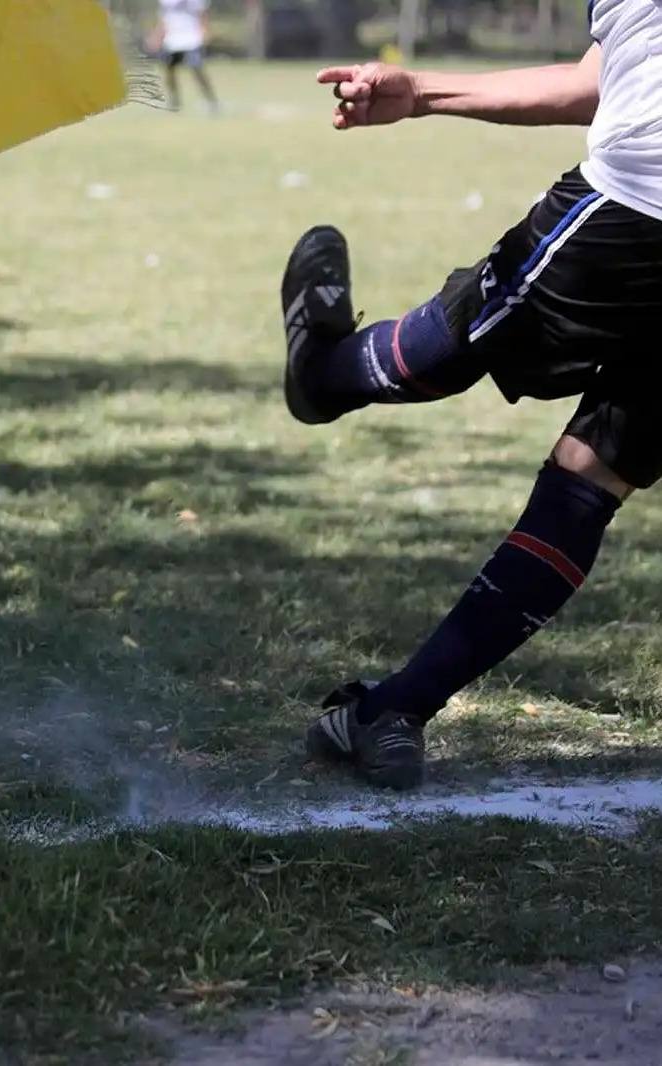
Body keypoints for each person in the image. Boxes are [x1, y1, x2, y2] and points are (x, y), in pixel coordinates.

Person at [285, 2, 657, 791]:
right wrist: (421, 92)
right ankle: (324, 376)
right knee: (470, 350)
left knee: (595, 473)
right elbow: (603, 82)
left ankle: (394, 709)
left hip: (635, 208)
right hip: (638, 207)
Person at [155, 0, 219, 115]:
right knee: (169, 71)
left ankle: (211, 100)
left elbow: (203, 13)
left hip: (191, 38)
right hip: (172, 39)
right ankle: (174, 101)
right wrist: (157, 35)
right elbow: (163, 18)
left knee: (197, 70)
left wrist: (205, 31)